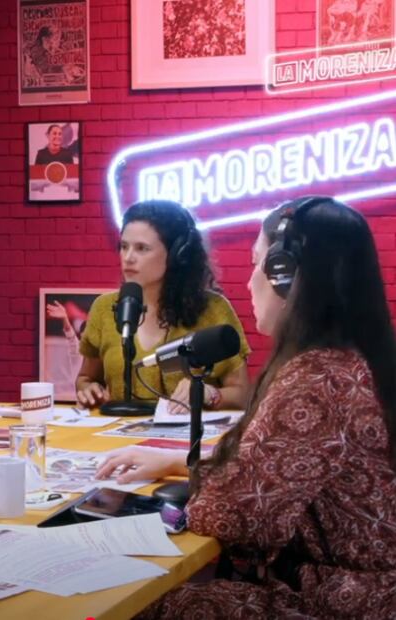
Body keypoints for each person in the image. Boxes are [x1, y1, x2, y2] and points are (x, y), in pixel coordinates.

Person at [96, 197, 396, 618]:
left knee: (149, 603)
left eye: (257, 264)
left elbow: (234, 516)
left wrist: (193, 489)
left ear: (285, 275)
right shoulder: (353, 359)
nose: (249, 281)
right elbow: (273, 470)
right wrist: (175, 463)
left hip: (347, 601)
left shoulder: (316, 380)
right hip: (367, 590)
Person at [75, 200, 250, 413]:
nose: (128, 258)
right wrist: (88, 389)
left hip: (192, 441)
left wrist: (208, 393)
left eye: (142, 248)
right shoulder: (104, 308)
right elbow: (86, 378)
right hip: (117, 442)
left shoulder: (214, 310)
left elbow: (242, 395)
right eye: (123, 246)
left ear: (177, 255)